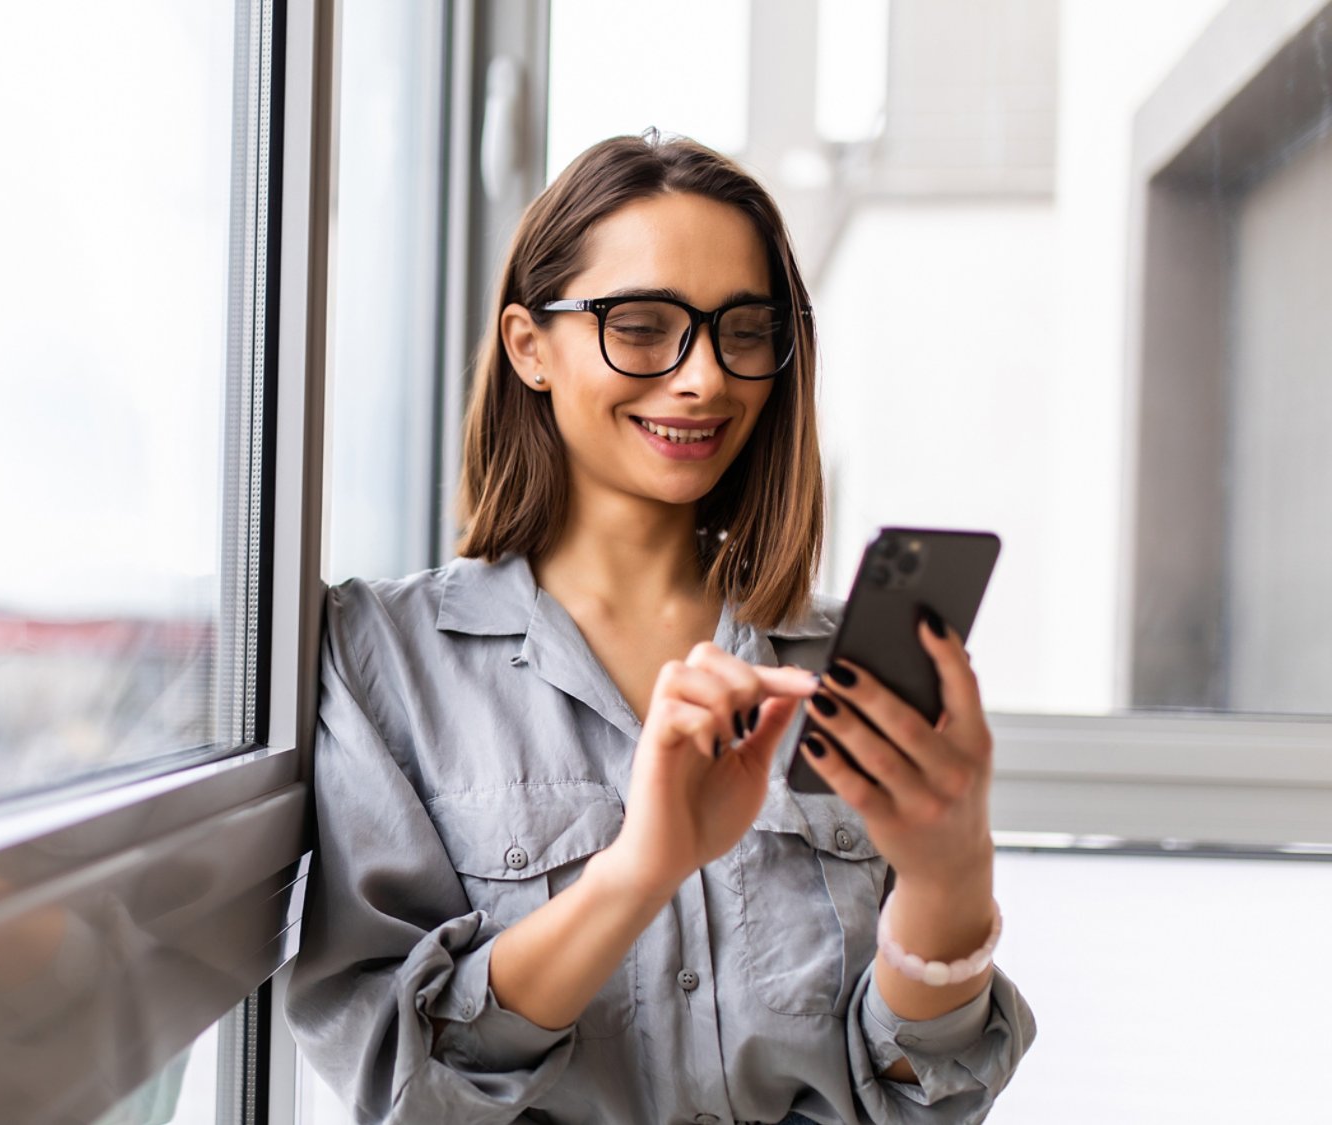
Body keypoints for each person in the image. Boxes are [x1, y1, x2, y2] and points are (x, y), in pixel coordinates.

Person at [284, 132, 1035, 1125]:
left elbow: (918, 1094)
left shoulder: (836, 675)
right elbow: (402, 1082)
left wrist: (949, 879)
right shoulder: (382, 662)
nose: (703, 379)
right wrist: (638, 871)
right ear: (528, 346)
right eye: (641, 326)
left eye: (743, 330)